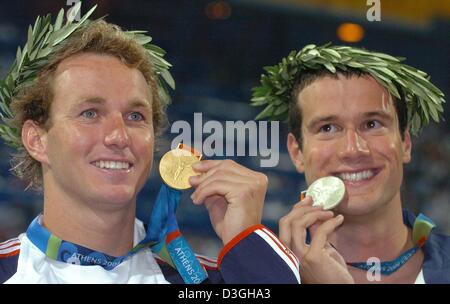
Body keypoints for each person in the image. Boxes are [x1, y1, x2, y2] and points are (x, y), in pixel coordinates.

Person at [0, 5, 299, 284]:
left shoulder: (202, 281)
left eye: (135, 116)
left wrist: (245, 238)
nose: (119, 136)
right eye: (90, 113)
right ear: (36, 140)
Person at [251, 43, 449, 283]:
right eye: (328, 128)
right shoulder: (257, 280)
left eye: (372, 124)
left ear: (405, 143)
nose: (353, 149)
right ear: (297, 153)